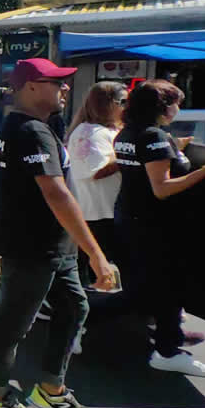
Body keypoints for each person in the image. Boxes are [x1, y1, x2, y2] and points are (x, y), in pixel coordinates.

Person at [0, 58, 118, 408]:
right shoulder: (31, 131)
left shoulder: (34, 126)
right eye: (56, 82)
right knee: (15, 323)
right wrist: (97, 255)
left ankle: (51, 389)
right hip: (31, 245)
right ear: (30, 87)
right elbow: (57, 193)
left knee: (74, 308)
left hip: (56, 244)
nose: (65, 89)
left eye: (64, 83)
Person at [114, 79, 205, 377]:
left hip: (132, 219)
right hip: (153, 225)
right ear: (163, 106)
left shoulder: (129, 133)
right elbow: (162, 188)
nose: (179, 108)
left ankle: (167, 336)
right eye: (176, 102)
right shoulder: (153, 136)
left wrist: (176, 146)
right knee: (165, 288)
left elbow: (147, 163)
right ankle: (167, 351)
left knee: (149, 289)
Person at [66, 82, 128, 286]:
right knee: (94, 269)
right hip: (98, 212)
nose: (126, 107)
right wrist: (131, 156)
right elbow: (96, 171)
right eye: (123, 102)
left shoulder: (102, 130)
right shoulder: (90, 133)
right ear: (107, 104)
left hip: (106, 210)